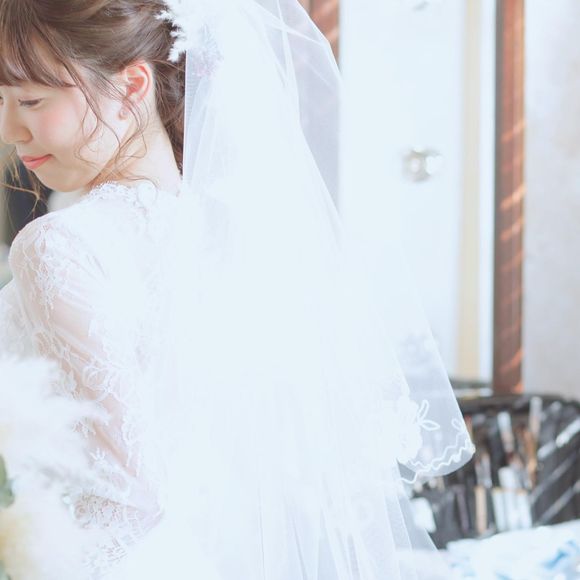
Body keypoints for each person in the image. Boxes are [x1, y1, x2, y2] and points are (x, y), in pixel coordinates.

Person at [0, 1, 475, 578]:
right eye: (1, 100)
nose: (9, 130)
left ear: (131, 86)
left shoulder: (59, 245)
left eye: (30, 101)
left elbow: (129, 492)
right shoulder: (245, 234)